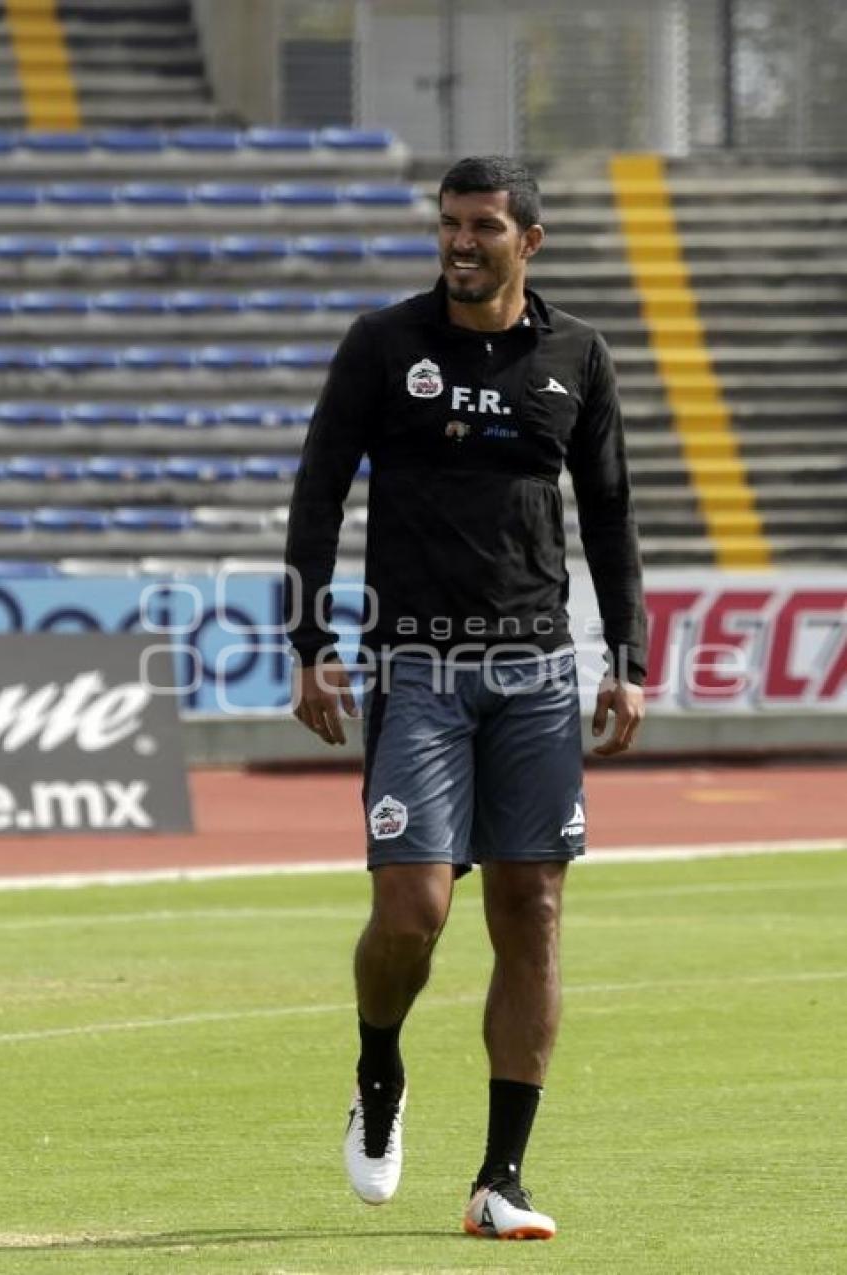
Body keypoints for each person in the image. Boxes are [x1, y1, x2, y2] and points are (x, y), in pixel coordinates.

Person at [285, 155, 646, 1240]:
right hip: (415, 668)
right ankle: (379, 1069)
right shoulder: (384, 346)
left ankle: (500, 1180)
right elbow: (316, 490)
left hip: (537, 673)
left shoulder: (576, 354)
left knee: (530, 915)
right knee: (415, 912)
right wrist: (307, 642)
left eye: (483, 224)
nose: (460, 240)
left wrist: (623, 656)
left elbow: (611, 514)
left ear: (527, 239)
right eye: (448, 222)